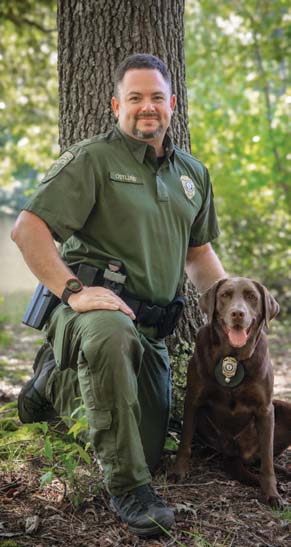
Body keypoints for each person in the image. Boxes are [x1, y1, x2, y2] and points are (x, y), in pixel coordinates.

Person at [11, 53, 226, 538]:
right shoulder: (93, 158)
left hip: (150, 331)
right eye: (135, 98)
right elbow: (28, 230)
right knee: (109, 334)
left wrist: (234, 307)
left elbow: (198, 253)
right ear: (116, 105)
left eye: (156, 97)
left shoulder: (192, 175)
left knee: (146, 449)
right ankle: (129, 490)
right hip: (94, 314)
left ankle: (54, 384)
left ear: (172, 105)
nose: (146, 107)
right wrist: (74, 292)